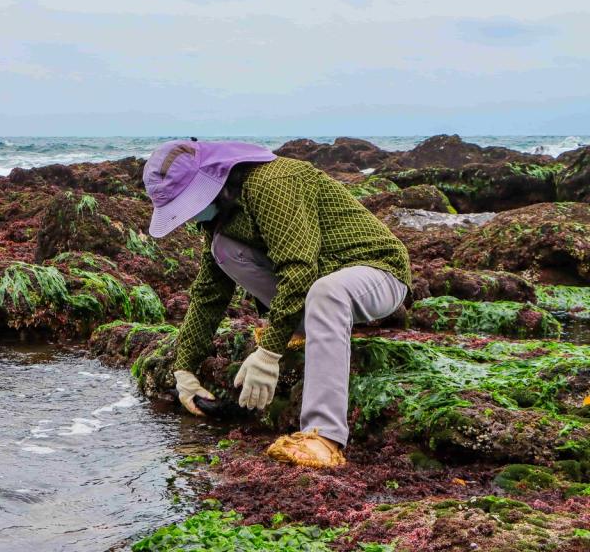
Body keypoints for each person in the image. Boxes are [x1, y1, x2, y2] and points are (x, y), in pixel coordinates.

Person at [143, 139, 411, 468]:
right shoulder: (223, 211)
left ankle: (324, 436)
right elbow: (209, 292)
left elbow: (299, 270)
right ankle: (304, 325)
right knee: (224, 248)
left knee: (326, 292)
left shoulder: (273, 182)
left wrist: (269, 353)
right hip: (318, 289)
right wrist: (183, 369)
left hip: (376, 273)